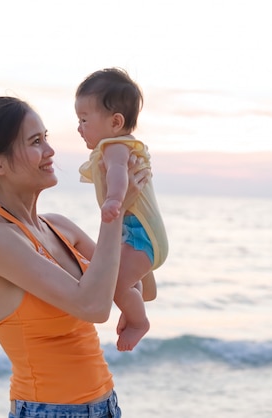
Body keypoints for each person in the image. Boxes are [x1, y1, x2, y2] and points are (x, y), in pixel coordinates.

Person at [0, 96, 149, 418]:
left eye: (46, 138)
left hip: (106, 404)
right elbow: (94, 307)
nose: (50, 151)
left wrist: (133, 210)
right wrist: (114, 211)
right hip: (49, 410)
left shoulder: (59, 226)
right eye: (35, 142)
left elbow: (143, 287)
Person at [76, 68, 169, 351]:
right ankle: (132, 311)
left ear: (115, 122)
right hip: (137, 234)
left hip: (143, 236)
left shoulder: (115, 147)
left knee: (115, 285)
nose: (79, 128)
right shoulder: (117, 145)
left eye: (84, 120)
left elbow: (119, 174)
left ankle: (139, 321)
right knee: (124, 283)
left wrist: (115, 199)